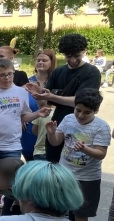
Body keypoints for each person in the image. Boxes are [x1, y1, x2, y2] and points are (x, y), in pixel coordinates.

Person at [0, 59, 50, 221]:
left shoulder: (21, 92)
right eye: (2, 75)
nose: (6, 78)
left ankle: (7, 212)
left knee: (11, 179)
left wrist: (38, 114)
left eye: (9, 74)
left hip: (12, 145)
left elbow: (24, 116)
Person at [26, 34, 101, 162]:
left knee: (75, 166)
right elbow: (44, 104)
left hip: (81, 128)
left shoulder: (91, 72)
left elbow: (82, 103)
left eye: (76, 55)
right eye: (68, 56)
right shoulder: (58, 72)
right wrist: (38, 95)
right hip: (58, 127)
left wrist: (53, 96)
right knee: (53, 164)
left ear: (84, 52)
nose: (73, 60)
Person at [46, 89, 110, 221]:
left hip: (87, 178)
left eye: (87, 112)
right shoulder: (68, 119)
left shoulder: (101, 127)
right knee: (57, 209)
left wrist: (84, 149)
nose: (80, 115)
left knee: (80, 213)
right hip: (64, 173)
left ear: (96, 111)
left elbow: (101, 153)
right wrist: (51, 133)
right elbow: (56, 142)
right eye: (78, 110)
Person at [21, 49, 56, 161]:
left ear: (52, 62)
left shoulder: (56, 82)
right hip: (29, 129)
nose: (40, 62)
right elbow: (18, 103)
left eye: (44, 60)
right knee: (30, 160)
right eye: (38, 60)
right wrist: (20, 117)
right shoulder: (27, 82)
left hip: (48, 127)